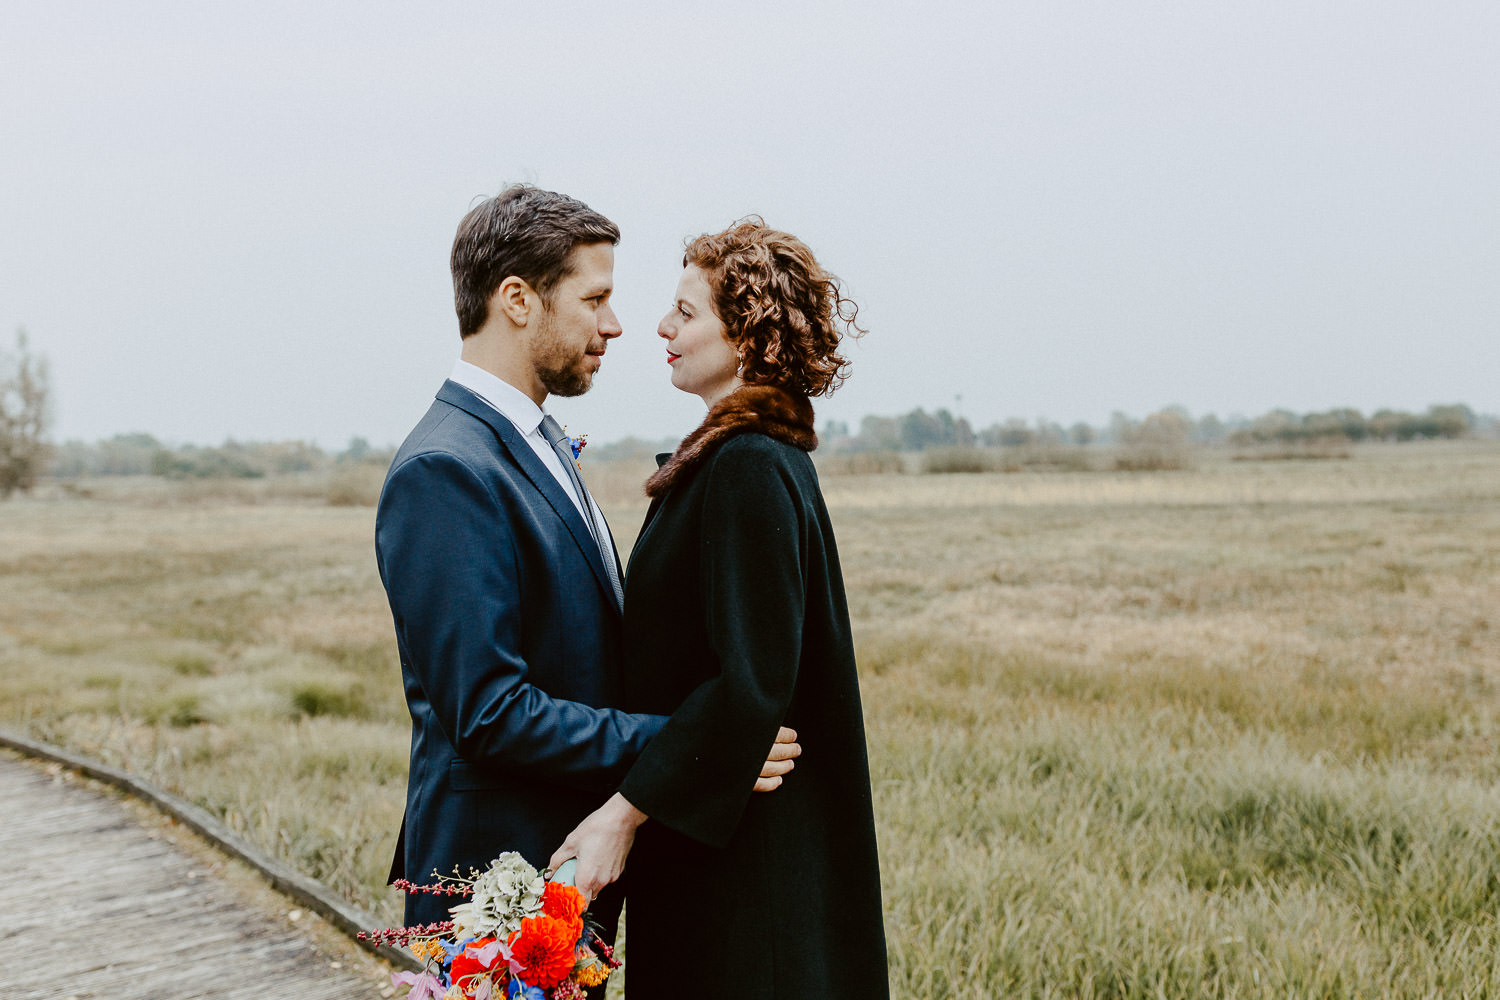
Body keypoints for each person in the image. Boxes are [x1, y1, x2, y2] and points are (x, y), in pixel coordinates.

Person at [374, 187, 798, 944]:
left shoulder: (534, 439)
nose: (616, 324)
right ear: (517, 300)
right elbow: (489, 712)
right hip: (496, 890)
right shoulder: (447, 468)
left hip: (568, 873)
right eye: (595, 297)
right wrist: (686, 743)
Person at [551, 219, 889, 998]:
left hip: (750, 875)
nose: (661, 328)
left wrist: (621, 815)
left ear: (751, 338)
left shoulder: (746, 467)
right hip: (719, 843)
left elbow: (751, 683)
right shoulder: (746, 458)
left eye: (687, 312)